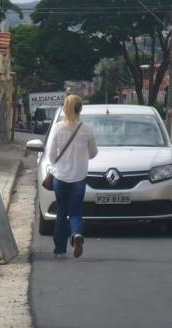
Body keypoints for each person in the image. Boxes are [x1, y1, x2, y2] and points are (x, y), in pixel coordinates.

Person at [46, 95, 98, 258]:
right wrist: (82, 157)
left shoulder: (57, 128)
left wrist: (60, 162)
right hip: (79, 177)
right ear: (80, 109)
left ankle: (60, 249)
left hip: (60, 177)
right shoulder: (86, 129)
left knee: (61, 212)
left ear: (65, 108)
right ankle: (76, 234)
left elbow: (51, 155)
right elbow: (93, 153)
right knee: (75, 211)